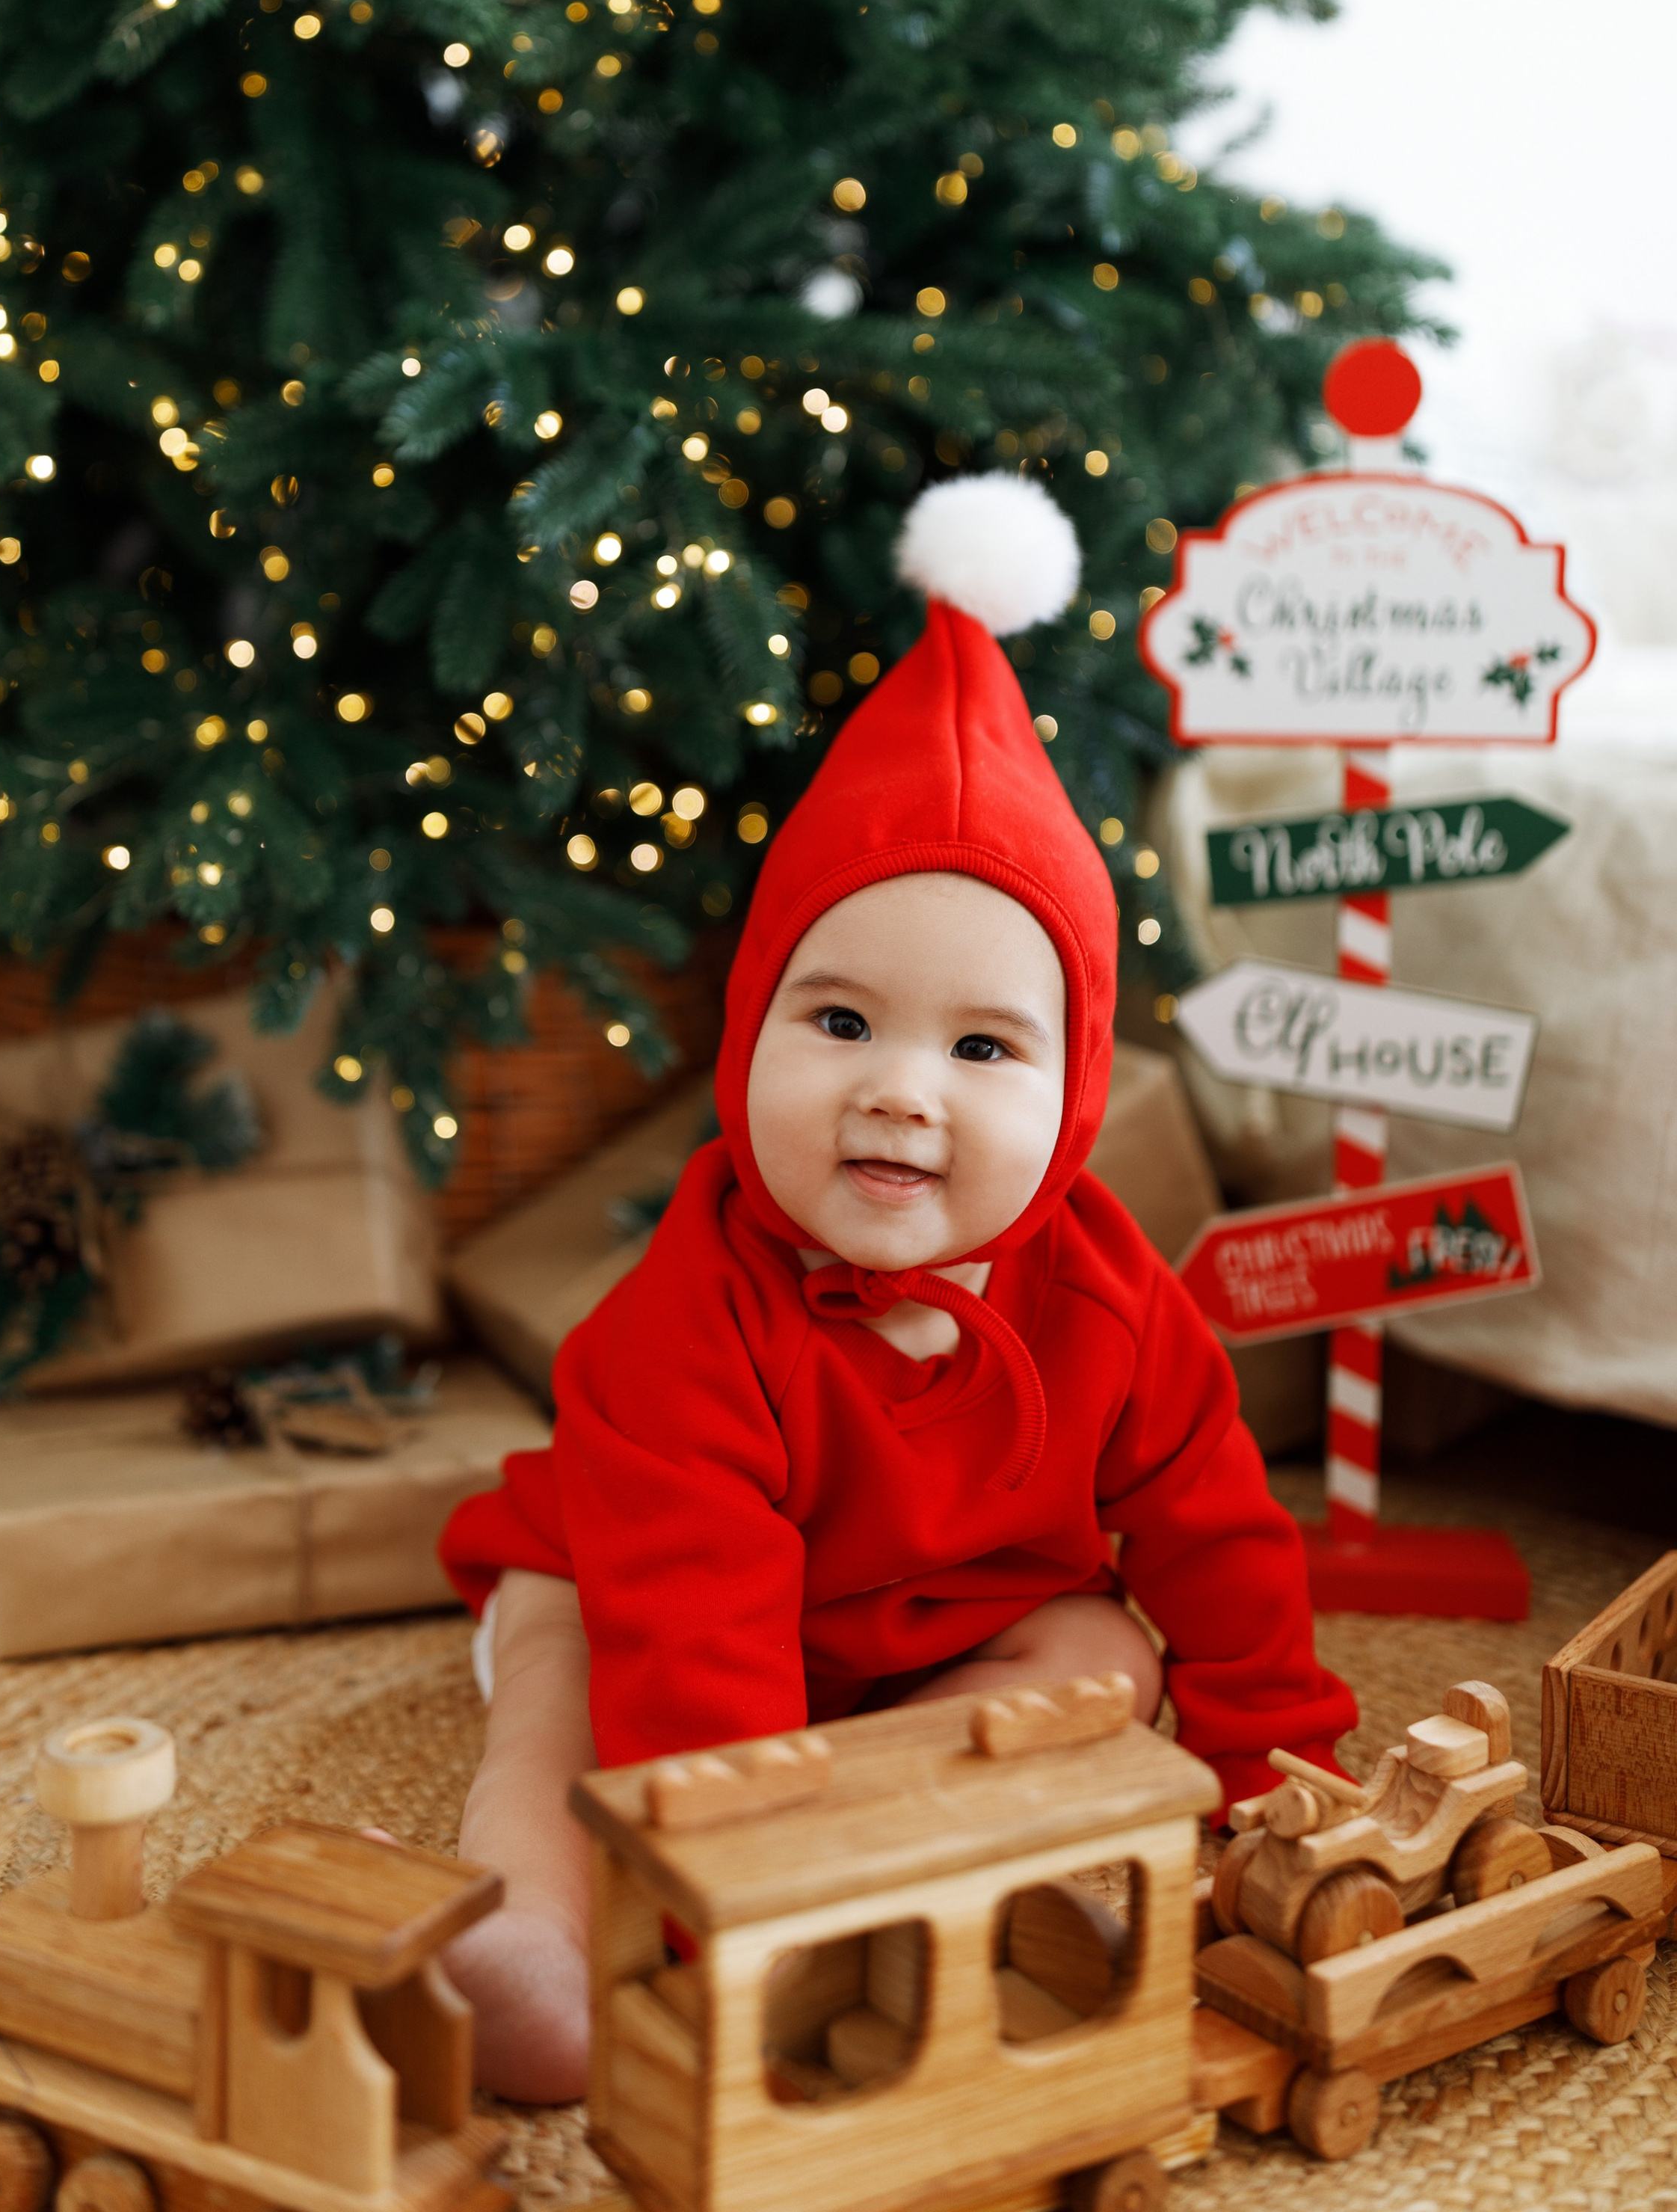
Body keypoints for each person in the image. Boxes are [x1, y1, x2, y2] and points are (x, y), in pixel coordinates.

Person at [437, 474, 1357, 2098]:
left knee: (1108, 1661)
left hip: (937, 1630)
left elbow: (1214, 1538)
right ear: (749, 1034)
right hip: (638, 1609)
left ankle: (898, 1812)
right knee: (559, 1715)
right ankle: (524, 1930)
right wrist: (733, 1913)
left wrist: (1271, 1780)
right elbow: (697, 1663)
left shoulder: (1110, 1300)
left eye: (981, 1047)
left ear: (1073, 1092)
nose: (898, 1092)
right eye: (839, 1023)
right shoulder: (681, 1329)